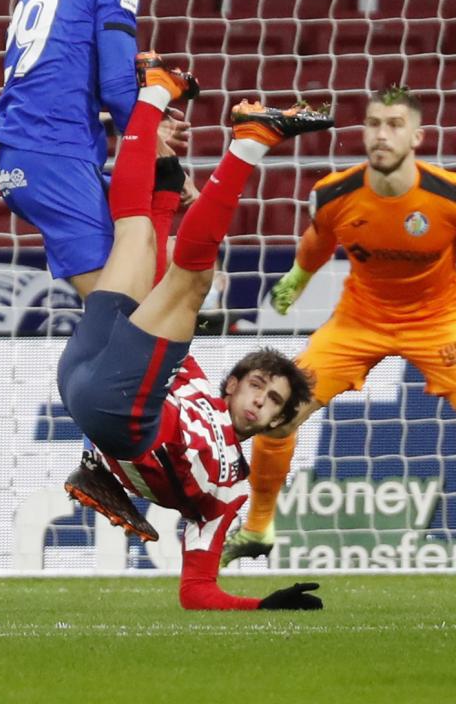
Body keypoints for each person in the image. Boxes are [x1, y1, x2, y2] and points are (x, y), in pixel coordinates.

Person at [223, 86, 456, 578]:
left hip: (439, 325)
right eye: (373, 123)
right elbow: (316, 242)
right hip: (358, 323)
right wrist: (295, 280)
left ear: (416, 136)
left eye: (394, 125)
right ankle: (259, 528)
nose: (381, 134)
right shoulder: (333, 194)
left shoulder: (454, 196)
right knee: (278, 417)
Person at [56, 57, 335, 610]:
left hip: (114, 413)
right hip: (85, 375)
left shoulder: (231, 489)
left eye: (275, 400)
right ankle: (158, 91)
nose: (262, 399)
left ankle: (250, 140)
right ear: (233, 383)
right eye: (259, 385)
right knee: (139, 229)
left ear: (281, 423)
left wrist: (262, 606)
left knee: (190, 277)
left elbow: (197, 592)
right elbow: (162, 279)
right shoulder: (195, 382)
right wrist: (167, 181)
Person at [0, 0, 184, 297]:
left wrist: (127, 129)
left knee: (142, 251)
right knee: (118, 312)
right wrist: (151, 140)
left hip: (30, 153)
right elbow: (118, 84)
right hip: (55, 157)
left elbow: (57, 87)